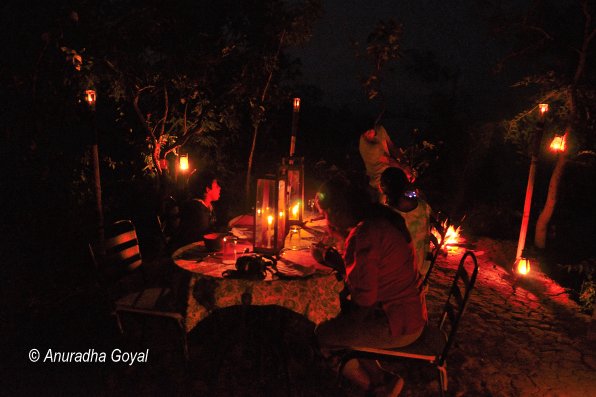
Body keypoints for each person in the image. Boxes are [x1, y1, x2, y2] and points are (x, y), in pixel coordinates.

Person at [314, 176, 426, 397]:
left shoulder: (367, 233)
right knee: (342, 324)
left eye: (325, 214)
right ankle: (382, 379)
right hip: (408, 313)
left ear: (337, 211)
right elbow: (368, 274)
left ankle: (375, 389)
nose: (326, 221)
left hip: (397, 323)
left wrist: (339, 325)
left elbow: (364, 299)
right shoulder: (379, 220)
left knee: (323, 336)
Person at [380, 167, 432, 278]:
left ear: (387, 189)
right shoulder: (423, 205)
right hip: (423, 265)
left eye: (382, 184)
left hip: (407, 273)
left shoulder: (390, 216)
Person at [359, 124, 412, 201]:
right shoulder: (369, 147)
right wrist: (404, 168)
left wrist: (404, 161)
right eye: (365, 134)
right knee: (387, 202)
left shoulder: (380, 129)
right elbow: (389, 160)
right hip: (379, 180)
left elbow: (391, 146)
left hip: (390, 172)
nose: (368, 135)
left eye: (369, 131)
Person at [172, 169, 221, 249]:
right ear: (207, 189)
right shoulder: (197, 211)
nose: (219, 188)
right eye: (216, 185)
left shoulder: (207, 206)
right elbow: (197, 240)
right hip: (186, 254)